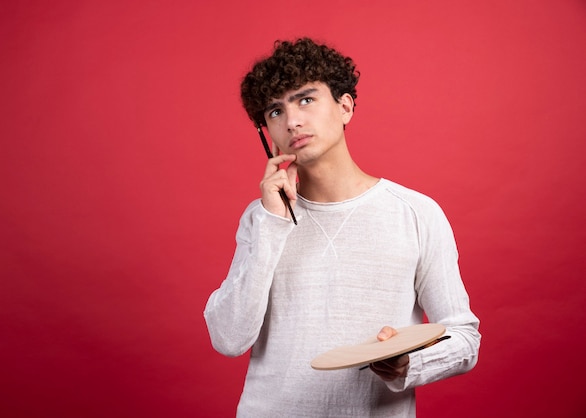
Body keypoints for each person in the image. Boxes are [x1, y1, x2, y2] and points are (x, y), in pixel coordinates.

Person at [204, 37, 480, 417]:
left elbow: (464, 338)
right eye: (274, 111)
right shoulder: (262, 218)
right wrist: (271, 223)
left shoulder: (416, 213)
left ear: (345, 106)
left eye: (305, 99)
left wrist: (409, 365)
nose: (292, 121)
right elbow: (229, 338)